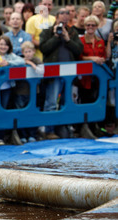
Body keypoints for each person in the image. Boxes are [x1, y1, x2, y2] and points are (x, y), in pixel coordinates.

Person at [39, 7, 84, 140]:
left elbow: (78, 50)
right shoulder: (48, 31)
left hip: (69, 74)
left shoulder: (72, 32)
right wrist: (56, 37)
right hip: (53, 73)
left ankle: (65, 128)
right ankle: (48, 130)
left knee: (68, 101)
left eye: (67, 13)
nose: (65, 16)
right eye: (62, 13)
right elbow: (44, 49)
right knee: (51, 102)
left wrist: (68, 39)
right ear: (57, 16)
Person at [0, 35, 25, 147]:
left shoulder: (11, 56)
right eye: (1, 44)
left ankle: (0, 137)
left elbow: (21, 62)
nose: (3, 47)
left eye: (5, 44)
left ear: (9, 46)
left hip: (6, 88)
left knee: (3, 111)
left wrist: (8, 63)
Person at [14, 41, 43, 143]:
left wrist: (31, 64)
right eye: (26, 52)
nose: (28, 54)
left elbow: (41, 72)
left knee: (33, 113)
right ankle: (22, 134)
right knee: (20, 112)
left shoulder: (37, 60)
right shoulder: (19, 60)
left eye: (30, 51)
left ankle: (32, 134)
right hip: (21, 92)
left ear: (34, 52)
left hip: (34, 92)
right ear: (22, 52)